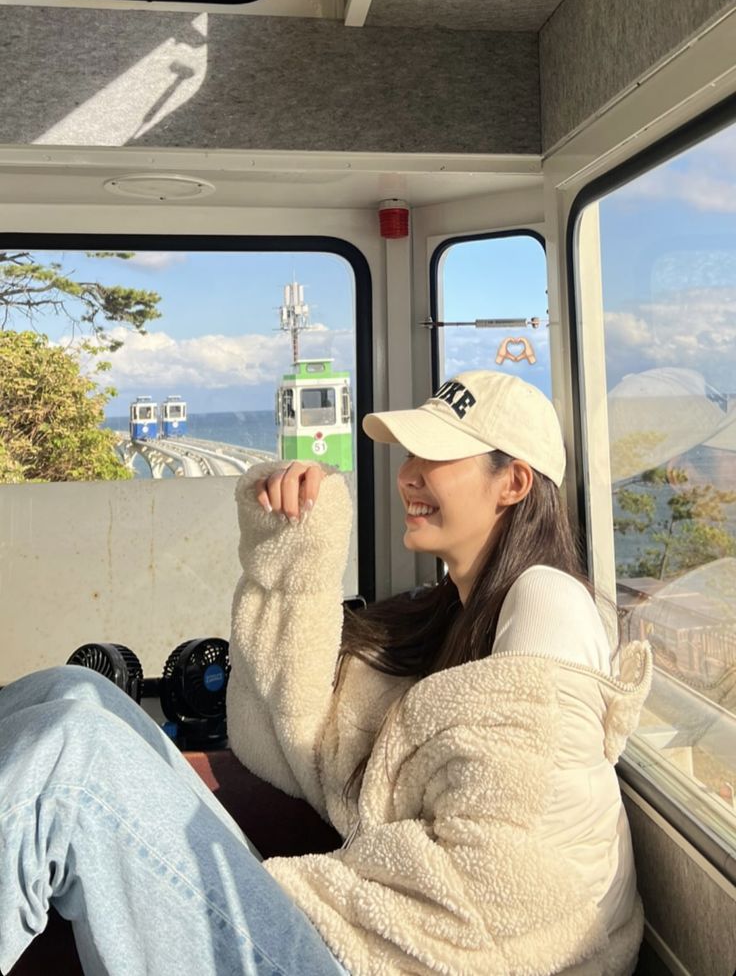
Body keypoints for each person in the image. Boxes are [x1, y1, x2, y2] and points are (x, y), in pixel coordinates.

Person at [0, 370, 651, 976]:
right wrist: (293, 559)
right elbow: (288, 745)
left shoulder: (547, 602)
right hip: (372, 926)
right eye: (410, 454)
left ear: (514, 483)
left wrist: (270, 889)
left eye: (437, 457)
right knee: (77, 693)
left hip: (391, 954)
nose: (409, 475)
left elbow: (505, 888)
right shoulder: (447, 619)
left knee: (71, 768)